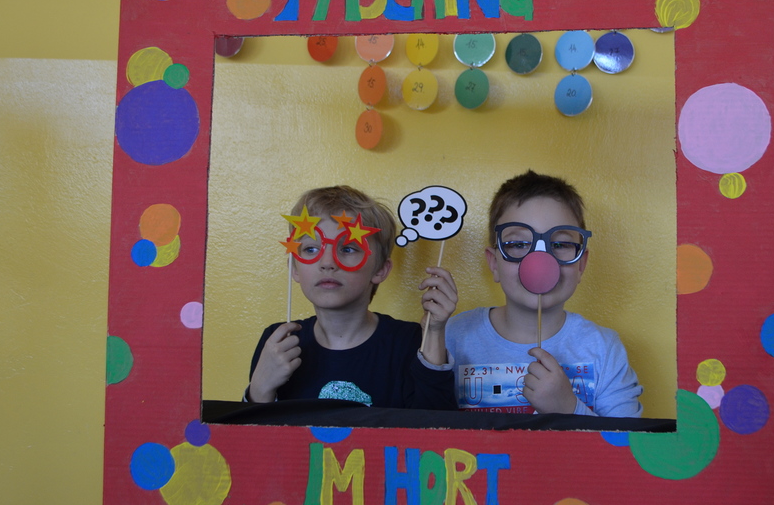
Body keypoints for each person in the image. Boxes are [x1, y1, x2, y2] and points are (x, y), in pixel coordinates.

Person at [446, 171, 643, 417]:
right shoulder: (453, 337)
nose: (540, 261)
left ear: (581, 265)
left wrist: (568, 409)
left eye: (559, 244)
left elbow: (624, 441)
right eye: (518, 244)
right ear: (494, 263)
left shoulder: (603, 349)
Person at [246, 186, 458, 410]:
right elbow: (251, 430)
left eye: (347, 249)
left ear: (380, 270)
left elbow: (436, 427)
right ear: (294, 268)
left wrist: (434, 334)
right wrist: (260, 389)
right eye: (311, 249)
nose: (327, 262)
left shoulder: (411, 341)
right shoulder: (279, 342)